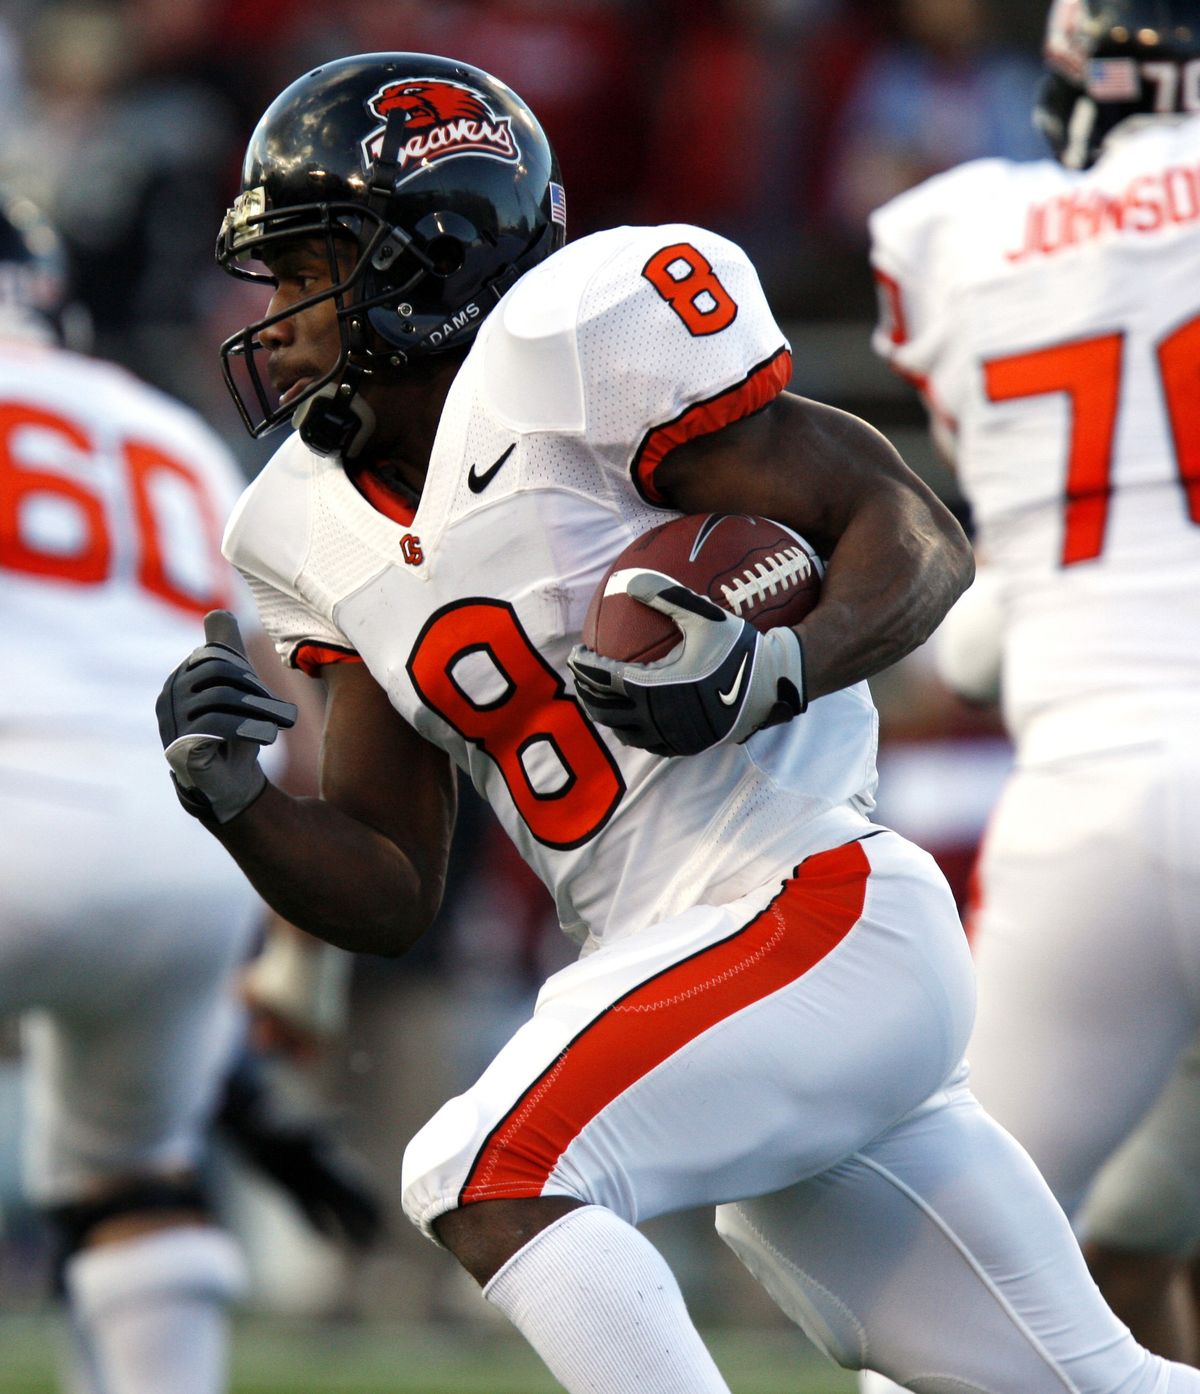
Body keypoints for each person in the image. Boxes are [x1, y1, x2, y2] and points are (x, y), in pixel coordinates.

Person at [156, 50, 1200, 1393]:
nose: (277, 314)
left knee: (482, 1163)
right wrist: (239, 801)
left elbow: (910, 530)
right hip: (695, 968)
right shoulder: (292, 525)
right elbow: (390, 881)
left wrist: (779, 665)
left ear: (427, 249)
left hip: (813, 908)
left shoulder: (581, 339)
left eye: (310, 267)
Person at [864, 0, 1200, 1380]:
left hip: (1096, 803)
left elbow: (991, 629)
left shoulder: (963, 233)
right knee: (1122, 1242)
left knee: (933, 1291)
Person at [0, 187, 376, 1394]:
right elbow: (297, 731)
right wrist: (299, 959)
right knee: (131, 1175)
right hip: (188, 852)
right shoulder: (155, 428)